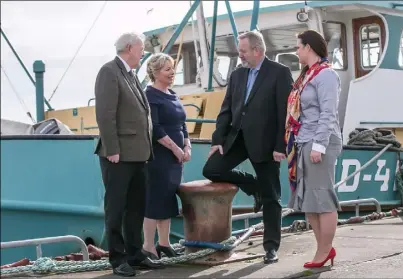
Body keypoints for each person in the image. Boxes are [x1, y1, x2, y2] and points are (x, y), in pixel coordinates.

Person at [202, 30, 294, 264]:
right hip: (237, 138)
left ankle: (271, 247)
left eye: (243, 51)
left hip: (265, 142)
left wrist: (280, 145)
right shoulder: (237, 75)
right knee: (211, 170)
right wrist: (217, 140)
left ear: (257, 50)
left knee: (272, 196)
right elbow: (226, 109)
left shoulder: (279, 73)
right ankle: (254, 187)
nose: (239, 55)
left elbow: (285, 113)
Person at [94, 32, 164, 276]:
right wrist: (112, 149)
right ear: (129, 48)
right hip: (119, 155)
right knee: (116, 207)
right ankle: (117, 259)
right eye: (141, 47)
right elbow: (105, 114)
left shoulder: (131, 75)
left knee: (136, 206)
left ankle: (135, 254)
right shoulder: (109, 72)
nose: (143, 51)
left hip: (138, 155)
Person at [285, 29, 343, 268]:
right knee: (309, 200)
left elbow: (328, 114)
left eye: (298, 46)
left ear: (308, 47)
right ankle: (323, 249)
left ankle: (324, 250)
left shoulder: (326, 75)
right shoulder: (306, 75)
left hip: (321, 142)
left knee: (322, 197)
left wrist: (318, 146)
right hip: (303, 141)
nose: (296, 51)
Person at [142, 53, 191, 259]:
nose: (172, 73)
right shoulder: (150, 95)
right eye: (167, 69)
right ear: (155, 72)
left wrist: (187, 145)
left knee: (169, 199)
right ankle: (148, 246)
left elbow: (182, 123)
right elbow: (155, 128)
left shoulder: (172, 93)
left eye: (172, 68)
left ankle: (164, 243)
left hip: (175, 160)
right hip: (160, 157)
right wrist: (175, 148)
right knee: (154, 200)